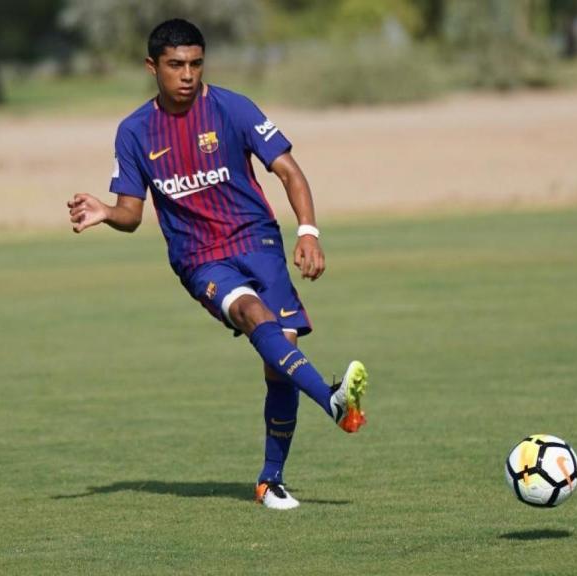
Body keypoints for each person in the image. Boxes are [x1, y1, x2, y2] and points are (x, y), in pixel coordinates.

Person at [67, 19, 368, 510]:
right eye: (175, 65)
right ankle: (333, 401)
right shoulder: (135, 131)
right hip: (200, 259)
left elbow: (288, 170)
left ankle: (271, 481)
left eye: (195, 63)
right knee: (253, 316)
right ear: (152, 67)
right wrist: (105, 212)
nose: (187, 74)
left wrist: (308, 231)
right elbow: (130, 213)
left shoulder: (232, 107)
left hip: (258, 243)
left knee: (280, 360)